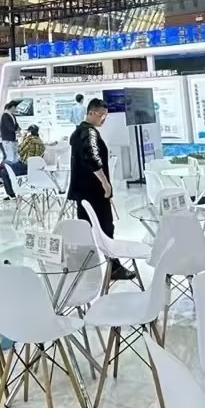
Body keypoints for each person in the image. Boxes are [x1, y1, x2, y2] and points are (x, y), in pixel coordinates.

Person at [68, 99, 134, 280]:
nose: (104, 119)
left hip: (83, 191)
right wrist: (105, 182)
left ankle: (83, 266)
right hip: (93, 191)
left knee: (86, 229)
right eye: (102, 115)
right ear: (92, 113)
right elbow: (91, 157)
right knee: (105, 228)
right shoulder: (89, 133)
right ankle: (114, 267)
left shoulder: (79, 132)